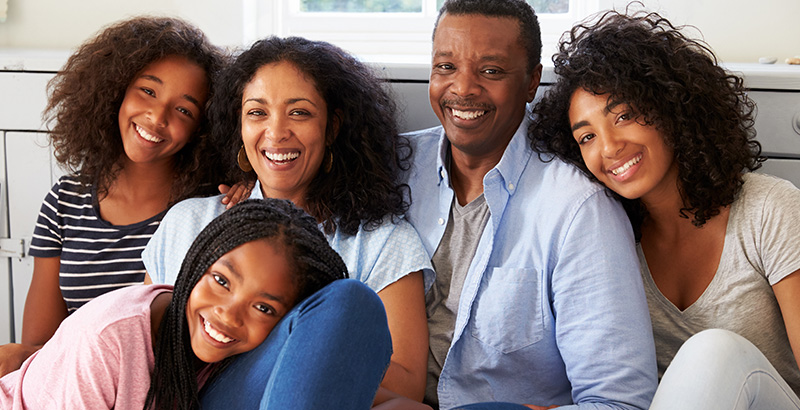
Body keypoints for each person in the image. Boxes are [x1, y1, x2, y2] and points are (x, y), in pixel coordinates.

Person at [529, 8, 800, 410]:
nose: (608, 148)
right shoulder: (610, 241)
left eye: (624, 115)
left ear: (672, 107)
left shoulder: (769, 209)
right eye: (586, 137)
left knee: (713, 352)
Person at [142, 36, 433, 408]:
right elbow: (146, 340)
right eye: (257, 112)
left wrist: (296, 361)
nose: (276, 132)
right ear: (239, 126)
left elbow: (406, 382)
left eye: (299, 112)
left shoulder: (383, 241)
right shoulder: (189, 221)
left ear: (332, 128)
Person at [402, 0, 658, 409]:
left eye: (491, 71)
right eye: (446, 67)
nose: (463, 88)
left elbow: (619, 401)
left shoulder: (578, 209)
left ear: (531, 82)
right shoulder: (391, 170)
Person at [0, 198, 392, 409]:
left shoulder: (237, 349)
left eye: (264, 308)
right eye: (221, 281)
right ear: (198, 261)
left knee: (353, 300)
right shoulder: (108, 339)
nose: (228, 314)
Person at [0, 16, 226, 378]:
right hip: (76, 383)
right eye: (147, 91)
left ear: (203, 128)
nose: (156, 116)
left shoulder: (205, 212)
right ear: (116, 89)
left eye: (184, 109)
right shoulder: (65, 201)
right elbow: (39, 347)